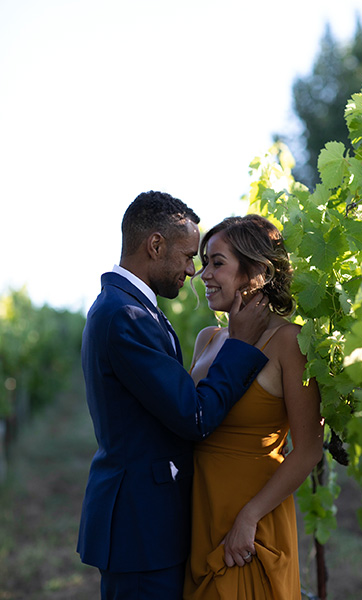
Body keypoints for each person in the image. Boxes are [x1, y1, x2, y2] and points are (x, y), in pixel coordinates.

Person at [77, 191, 272, 600]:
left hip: (149, 524)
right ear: (155, 245)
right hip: (141, 530)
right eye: (187, 256)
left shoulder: (131, 308)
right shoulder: (125, 316)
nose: (192, 270)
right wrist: (242, 345)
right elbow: (193, 416)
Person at [183, 214, 324, 600]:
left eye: (217, 262)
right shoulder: (207, 338)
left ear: (256, 271)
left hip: (252, 523)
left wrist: (249, 517)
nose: (204, 274)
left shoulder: (288, 342)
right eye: (204, 262)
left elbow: (309, 448)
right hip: (203, 513)